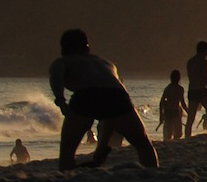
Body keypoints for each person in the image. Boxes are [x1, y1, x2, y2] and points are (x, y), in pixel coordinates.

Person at [48, 29, 158, 171]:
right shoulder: (106, 63)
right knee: (144, 145)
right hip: (118, 96)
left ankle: (67, 172)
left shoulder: (62, 61)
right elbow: (109, 112)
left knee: (67, 153)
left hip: (86, 95)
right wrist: (101, 147)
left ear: (63, 49)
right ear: (87, 47)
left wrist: (60, 101)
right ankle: (153, 172)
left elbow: (56, 77)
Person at [185, 41, 207, 137]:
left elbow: (191, 77)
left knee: (190, 118)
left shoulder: (190, 62)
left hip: (192, 90)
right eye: (206, 51)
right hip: (201, 90)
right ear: (203, 51)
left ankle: (187, 137)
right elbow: (206, 79)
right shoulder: (204, 62)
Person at [159, 69, 188, 141]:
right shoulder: (180, 89)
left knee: (168, 133)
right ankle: (174, 143)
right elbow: (183, 103)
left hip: (167, 111)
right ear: (179, 78)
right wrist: (188, 112)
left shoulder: (168, 88)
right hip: (175, 111)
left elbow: (161, 102)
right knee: (178, 133)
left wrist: (161, 114)